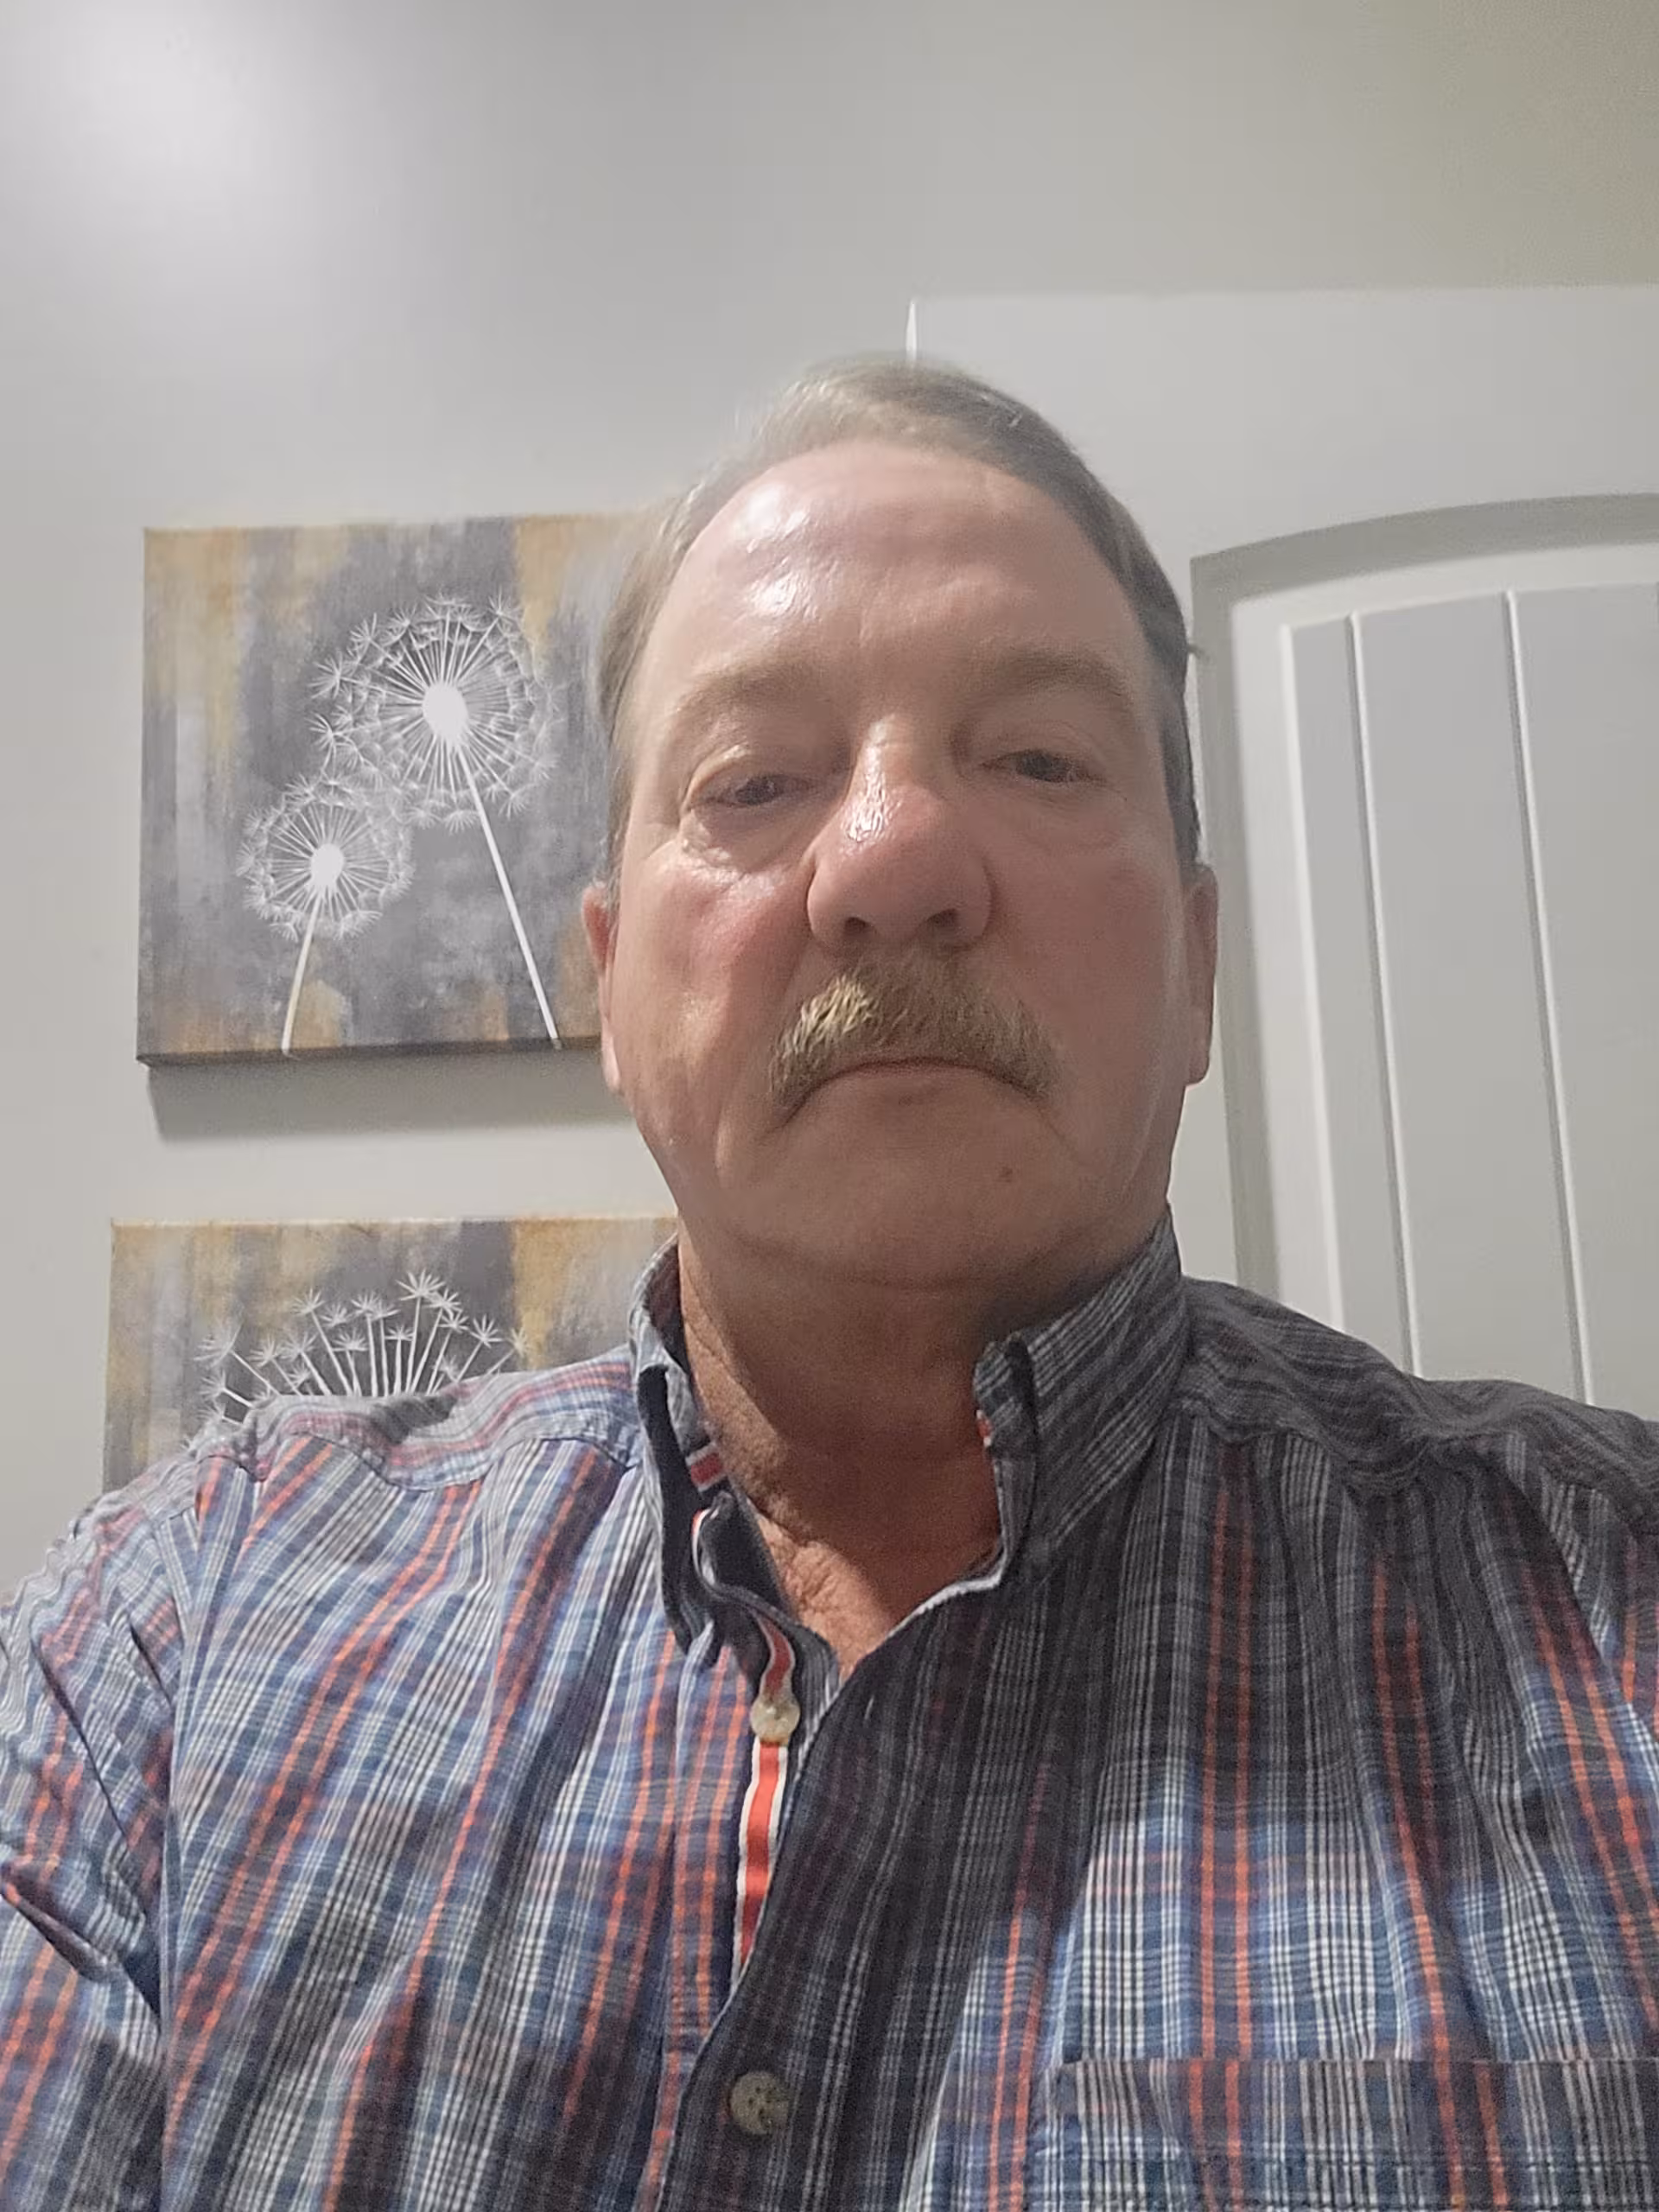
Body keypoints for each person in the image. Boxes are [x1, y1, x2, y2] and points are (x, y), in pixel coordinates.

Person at [3, 358, 1657, 2212]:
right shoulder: (172, 1633)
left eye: (1038, 758)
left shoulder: (1621, 1615)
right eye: (757, 781)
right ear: (612, 991)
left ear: (1198, 968)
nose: (891, 859)